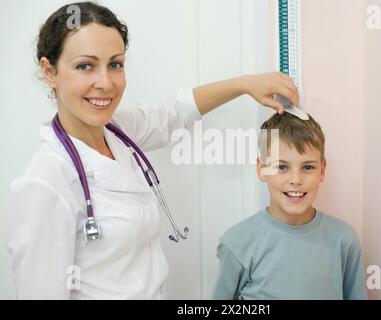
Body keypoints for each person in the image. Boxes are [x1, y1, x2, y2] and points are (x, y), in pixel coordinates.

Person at [5, 2, 300, 299]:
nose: (106, 83)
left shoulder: (118, 130)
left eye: (115, 64)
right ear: (49, 71)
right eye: (85, 66)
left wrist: (245, 84)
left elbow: (174, 110)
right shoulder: (44, 183)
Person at [212, 112, 368, 300]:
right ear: (262, 169)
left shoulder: (344, 240)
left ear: (322, 170)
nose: (296, 180)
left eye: (308, 167)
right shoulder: (237, 242)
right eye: (282, 167)